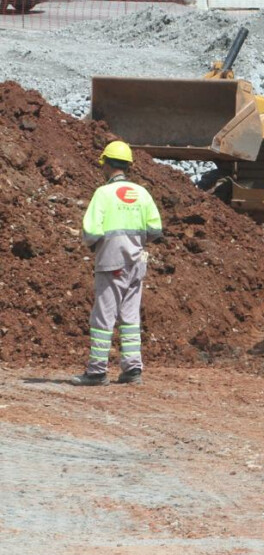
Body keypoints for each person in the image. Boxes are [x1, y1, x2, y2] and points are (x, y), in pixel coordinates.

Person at [71, 141, 161, 386]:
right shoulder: (142, 194)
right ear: (128, 165)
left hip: (111, 262)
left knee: (103, 318)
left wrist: (95, 246)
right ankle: (132, 370)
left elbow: (91, 231)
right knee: (130, 317)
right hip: (137, 262)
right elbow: (156, 229)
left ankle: (97, 372)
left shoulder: (103, 194)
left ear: (107, 164)